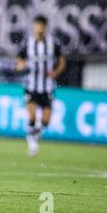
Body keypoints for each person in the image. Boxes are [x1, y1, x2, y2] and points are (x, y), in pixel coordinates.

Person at [16, 15, 66, 156]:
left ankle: (33, 136)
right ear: (34, 26)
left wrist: (56, 72)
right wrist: (21, 66)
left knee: (45, 121)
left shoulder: (53, 44)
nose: (39, 28)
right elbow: (19, 61)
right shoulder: (28, 43)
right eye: (37, 25)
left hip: (48, 87)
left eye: (42, 25)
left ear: (45, 27)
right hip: (31, 85)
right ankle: (32, 144)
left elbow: (62, 62)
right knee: (32, 117)